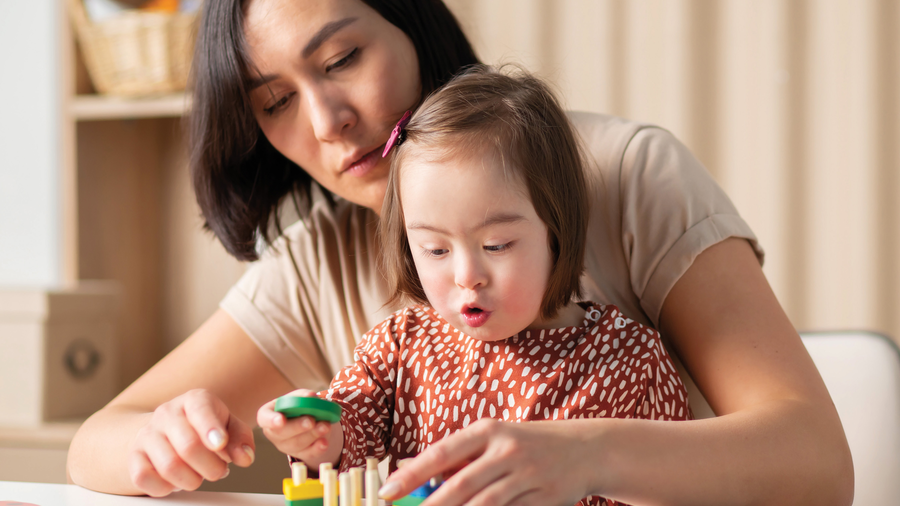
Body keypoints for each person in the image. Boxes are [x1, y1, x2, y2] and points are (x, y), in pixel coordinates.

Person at [66, 0, 854, 504]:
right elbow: (94, 441)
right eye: (275, 102)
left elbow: (817, 462)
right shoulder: (318, 259)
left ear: (412, 25)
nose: (329, 120)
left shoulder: (625, 175)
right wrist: (165, 439)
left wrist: (587, 456)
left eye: (341, 61)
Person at [256, 66, 693, 506]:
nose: (467, 275)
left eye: (496, 245)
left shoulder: (630, 360)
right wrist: (315, 434)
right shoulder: (400, 347)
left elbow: (680, 486)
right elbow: (349, 433)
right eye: (435, 249)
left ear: (556, 231)